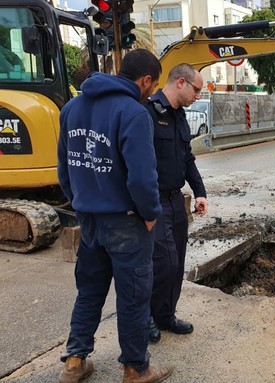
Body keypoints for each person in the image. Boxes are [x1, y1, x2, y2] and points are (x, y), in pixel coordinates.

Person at [57, 49, 173, 383]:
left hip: (89, 219)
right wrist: (150, 213)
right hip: (126, 223)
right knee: (134, 297)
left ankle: (75, 363)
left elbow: (64, 168)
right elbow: (141, 177)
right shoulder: (134, 113)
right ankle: (136, 369)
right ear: (146, 80)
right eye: (152, 86)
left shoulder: (71, 108)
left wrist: (80, 202)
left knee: (90, 292)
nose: (151, 93)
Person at [144, 63, 208, 343]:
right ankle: (145, 318)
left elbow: (187, 159)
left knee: (177, 261)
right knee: (159, 263)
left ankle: (165, 315)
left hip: (175, 201)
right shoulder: (147, 112)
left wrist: (200, 191)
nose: (198, 95)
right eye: (196, 89)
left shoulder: (180, 117)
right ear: (180, 83)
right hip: (153, 201)